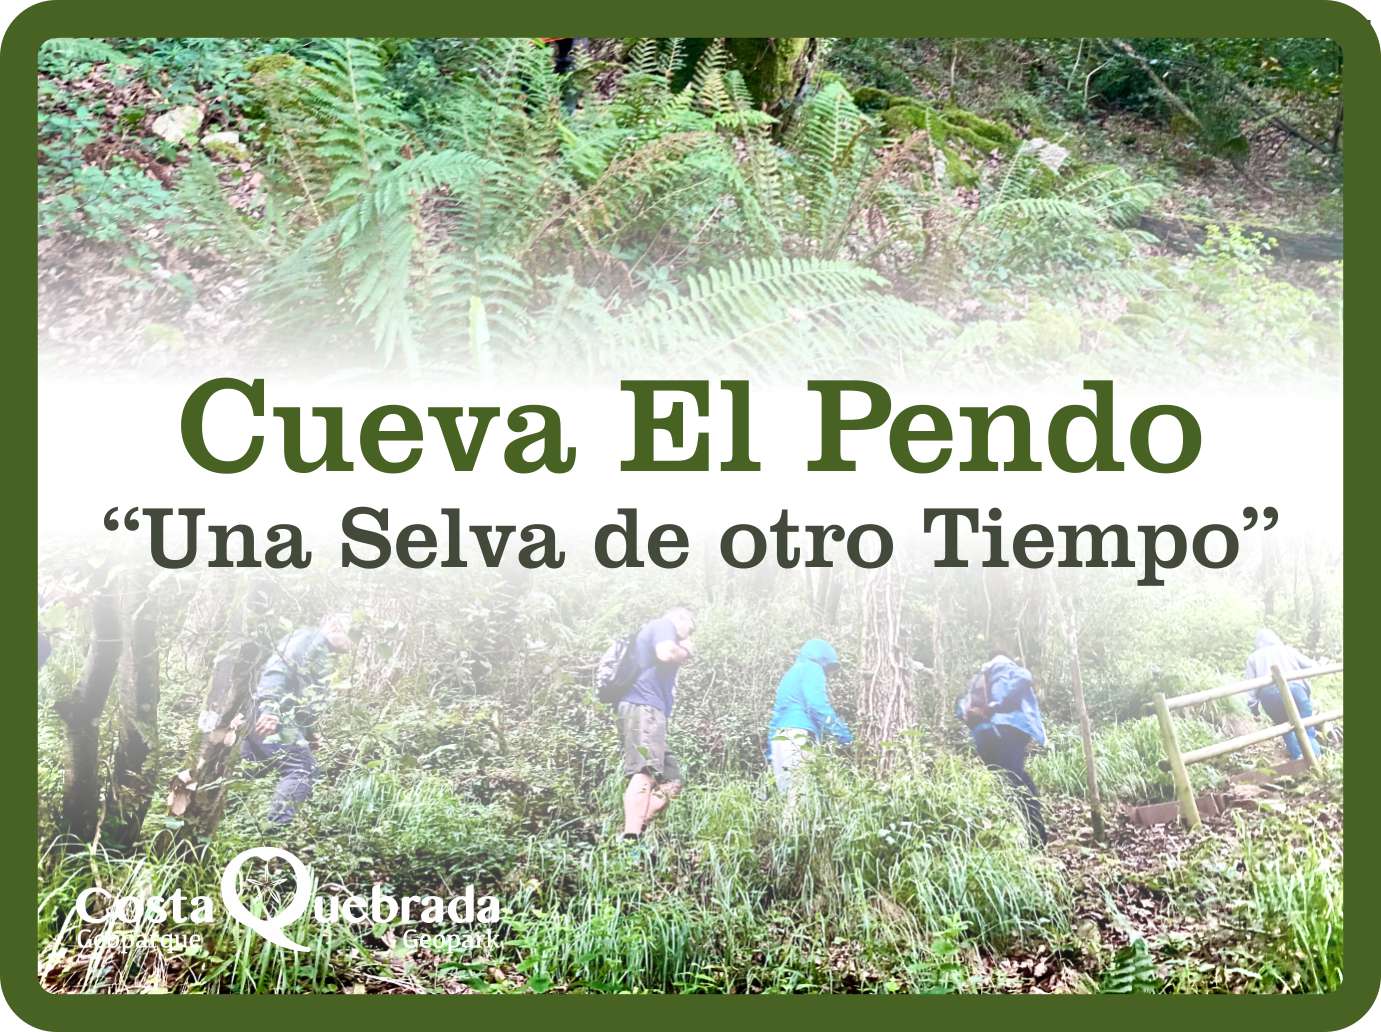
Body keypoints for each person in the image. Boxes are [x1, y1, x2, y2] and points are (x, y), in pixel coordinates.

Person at [241, 614, 352, 828]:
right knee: (302, 768)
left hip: (271, 716)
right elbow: (278, 668)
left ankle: (235, 827)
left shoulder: (323, 652)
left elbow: (308, 699)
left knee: (251, 772)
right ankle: (276, 833)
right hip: (273, 717)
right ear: (335, 626)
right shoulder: (308, 639)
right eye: (351, 636)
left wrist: (310, 734)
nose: (352, 643)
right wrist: (270, 709)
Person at [616, 606, 695, 843]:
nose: (687, 636)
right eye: (689, 629)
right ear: (680, 618)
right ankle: (630, 839)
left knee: (672, 779)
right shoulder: (663, 625)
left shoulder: (665, 630)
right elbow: (665, 653)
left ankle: (635, 829)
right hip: (643, 706)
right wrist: (686, 651)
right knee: (645, 770)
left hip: (650, 711)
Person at [956, 651, 1047, 846]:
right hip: (1005, 730)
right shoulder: (1004, 667)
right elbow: (1025, 677)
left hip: (988, 734)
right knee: (1014, 778)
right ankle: (1033, 832)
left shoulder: (983, 677)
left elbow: (961, 709)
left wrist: (984, 711)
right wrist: (997, 704)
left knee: (1008, 778)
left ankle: (1027, 830)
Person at [765, 639, 852, 798]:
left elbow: (776, 716)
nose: (827, 673)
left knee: (791, 797)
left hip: (779, 740)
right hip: (800, 737)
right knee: (802, 800)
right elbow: (817, 705)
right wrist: (842, 735)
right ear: (823, 659)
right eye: (828, 668)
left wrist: (770, 754)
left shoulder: (791, 675)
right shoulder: (812, 668)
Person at [1245, 628, 1322, 761]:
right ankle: (1316, 759)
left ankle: (1299, 760)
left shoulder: (1253, 658)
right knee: (1306, 726)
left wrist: (1254, 709)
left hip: (1269, 696)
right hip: (1296, 690)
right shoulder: (1287, 650)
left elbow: (1251, 689)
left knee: (1287, 729)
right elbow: (1313, 667)